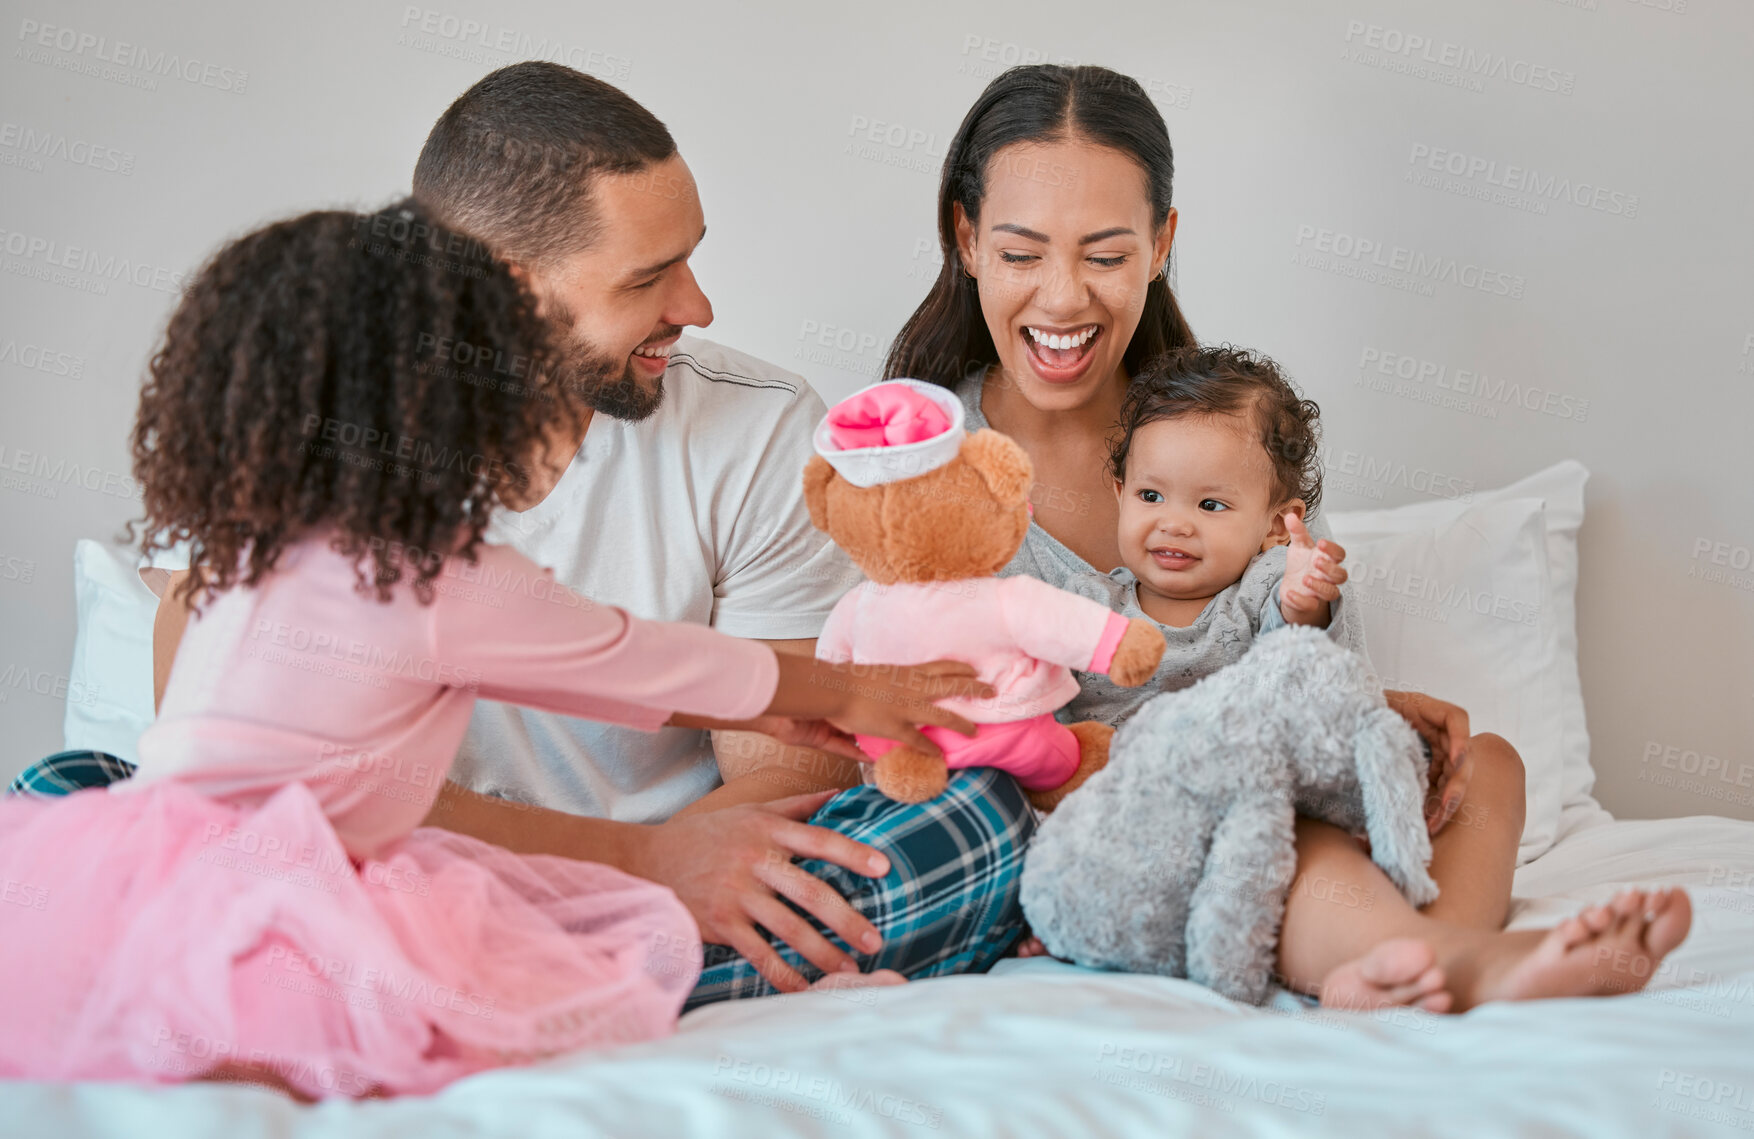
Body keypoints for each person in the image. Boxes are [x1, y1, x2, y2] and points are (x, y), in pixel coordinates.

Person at [13, 61, 1040, 1009]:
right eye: (647, 277)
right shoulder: (320, 462)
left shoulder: (757, 424)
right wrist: (635, 876)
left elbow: (703, 718)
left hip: (520, 868)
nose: (696, 303)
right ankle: (559, 976)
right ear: (500, 292)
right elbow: (601, 665)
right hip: (349, 875)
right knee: (70, 789)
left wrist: (688, 852)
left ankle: (464, 975)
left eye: (689, 258)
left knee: (959, 819)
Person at [885, 63, 1690, 1011]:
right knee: (1267, 817)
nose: (1063, 300)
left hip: (1267, 766)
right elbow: (933, 738)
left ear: (1161, 244)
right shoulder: (920, 473)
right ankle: (1468, 967)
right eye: (1023, 253)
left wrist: (1368, 709)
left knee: (1492, 767)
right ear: (967, 238)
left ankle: (1419, 961)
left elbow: (1279, 645)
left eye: (1105, 254)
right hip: (1113, 820)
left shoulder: (1223, 437)